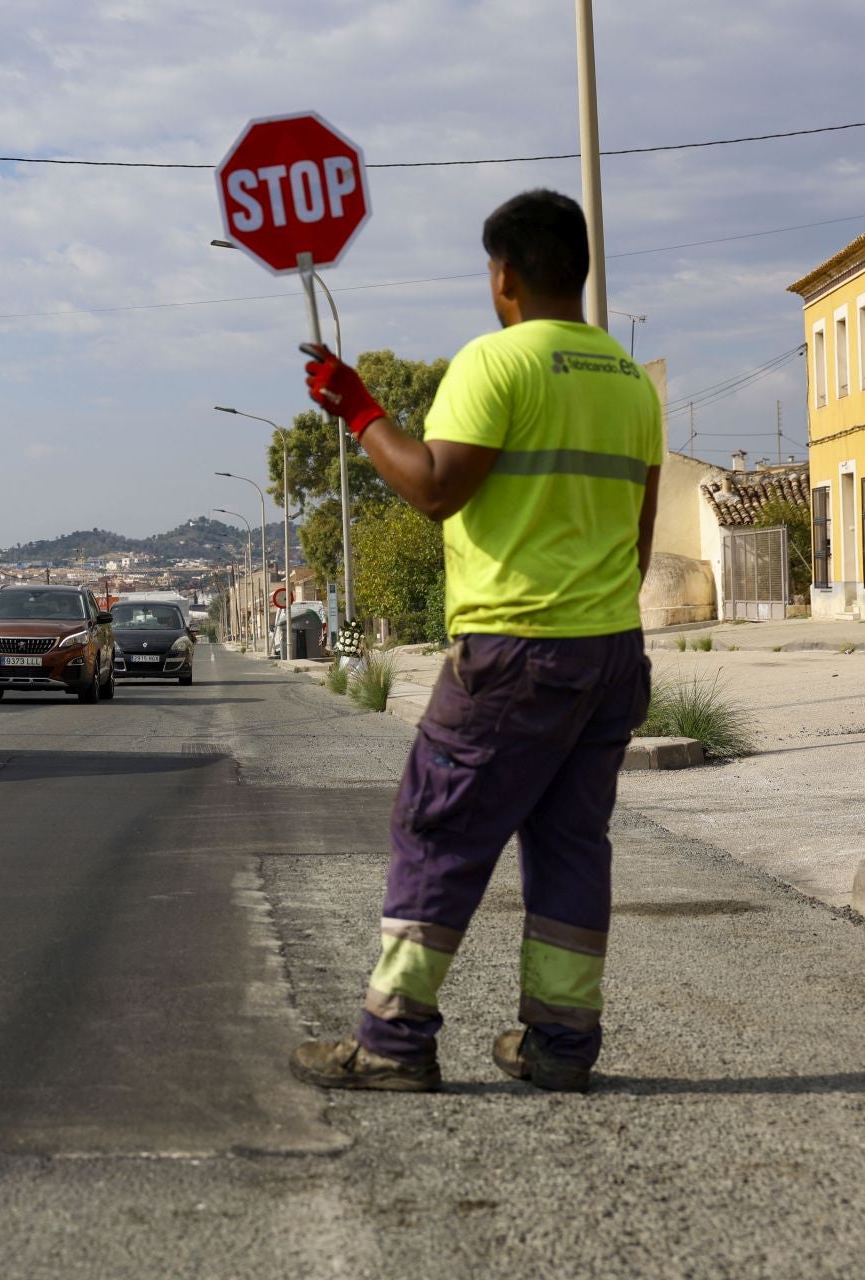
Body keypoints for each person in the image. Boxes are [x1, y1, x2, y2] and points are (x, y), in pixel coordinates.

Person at [290, 189, 663, 1094]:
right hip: (610, 652)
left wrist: (358, 410)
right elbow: (639, 542)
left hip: (514, 651)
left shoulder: (495, 363)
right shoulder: (629, 383)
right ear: (577, 269)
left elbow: (435, 487)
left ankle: (392, 1041)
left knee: (439, 829)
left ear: (504, 276)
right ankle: (561, 1045)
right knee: (572, 845)